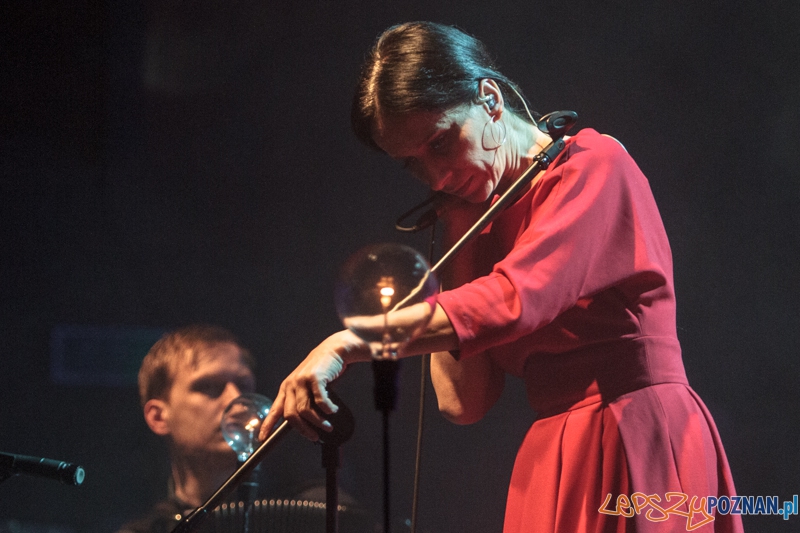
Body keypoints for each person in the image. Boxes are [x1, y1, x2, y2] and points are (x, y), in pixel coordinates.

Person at [260, 21, 743, 533]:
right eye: (413, 165)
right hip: (555, 449)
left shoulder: (592, 166)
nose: (438, 177)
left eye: (442, 142)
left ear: (490, 99)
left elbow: (517, 298)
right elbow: (462, 401)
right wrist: (459, 232)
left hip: (633, 430)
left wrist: (347, 344)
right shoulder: (476, 216)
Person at [115, 324, 257, 533]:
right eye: (209, 386)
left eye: (244, 385)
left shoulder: (309, 503)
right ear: (158, 417)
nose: (236, 400)